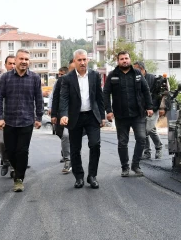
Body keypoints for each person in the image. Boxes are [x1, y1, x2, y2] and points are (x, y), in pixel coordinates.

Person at [0, 49, 44, 192]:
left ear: (29, 62)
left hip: (27, 121)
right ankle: (17, 170)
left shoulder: (34, 78)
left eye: (26, 59)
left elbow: (39, 99)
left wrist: (39, 117)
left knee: (22, 151)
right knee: (10, 151)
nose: (24, 61)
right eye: (21, 58)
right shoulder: (5, 78)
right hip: (9, 121)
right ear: (15, 60)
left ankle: (19, 179)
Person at [59, 49, 106, 189]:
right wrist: (64, 114)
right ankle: (78, 177)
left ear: (88, 60)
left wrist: (102, 116)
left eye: (84, 59)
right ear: (74, 61)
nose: (82, 62)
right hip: (75, 117)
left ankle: (92, 176)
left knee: (95, 145)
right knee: (75, 148)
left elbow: (99, 97)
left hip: (92, 116)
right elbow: (64, 98)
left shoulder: (95, 75)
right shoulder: (67, 78)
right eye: (79, 60)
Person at [104, 52, 153, 177]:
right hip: (120, 115)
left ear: (129, 59)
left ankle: (135, 165)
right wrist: (108, 110)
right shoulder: (112, 75)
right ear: (118, 61)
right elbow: (105, 93)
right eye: (122, 59)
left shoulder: (137, 74)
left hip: (138, 114)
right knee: (122, 142)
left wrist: (149, 107)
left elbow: (146, 90)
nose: (124, 61)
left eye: (126, 58)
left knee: (142, 138)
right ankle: (124, 167)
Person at [133, 61, 163, 160]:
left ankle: (158, 148)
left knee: (147, 129)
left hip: (153, 109)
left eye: (135, 69)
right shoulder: (136, 79)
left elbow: (160, 94)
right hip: (142, 109)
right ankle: (148, 152)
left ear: (141, 69)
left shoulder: (153, 78)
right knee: (149, 130)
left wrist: (161, 108)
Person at [49, 66, 71, 174]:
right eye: (60, 74)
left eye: (62, 74)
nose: (60, 76)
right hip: (62, 114)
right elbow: (55, 97)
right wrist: (53, 114)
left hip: (77, 115)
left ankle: (70, 159)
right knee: (64, 135)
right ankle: (67, 156)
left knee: (70, 136)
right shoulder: (59, 82)